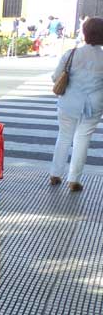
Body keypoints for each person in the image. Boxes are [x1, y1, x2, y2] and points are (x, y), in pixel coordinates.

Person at [49, 17, 103, 192]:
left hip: (68, 103)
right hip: (93, 105)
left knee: (64, 136)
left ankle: (55, 174)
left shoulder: (71, 54)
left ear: (85, 33)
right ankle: (74, 180)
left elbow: (56, 77)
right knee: (82, 140)